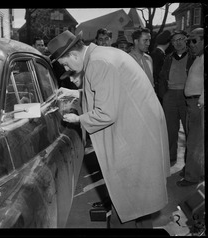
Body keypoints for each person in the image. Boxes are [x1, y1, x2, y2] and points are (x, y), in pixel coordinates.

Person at [47, 30, 170, 228]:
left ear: (74, 55)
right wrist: (74, 92)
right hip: (139, 126)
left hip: (134, 133)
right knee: (140, 202)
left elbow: (106, 113)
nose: (68, 68)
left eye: (65, 64)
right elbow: (107, 91)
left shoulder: (97, 63)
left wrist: (79, 118)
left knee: (126, 197)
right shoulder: (103, 54)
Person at [159, 30, 196, 166]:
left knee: (190, 130)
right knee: (170, 129)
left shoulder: (194, 56)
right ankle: (170, 157)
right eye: (175, 40)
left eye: (181, 39)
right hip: (170, 96)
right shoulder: (168, 58)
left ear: (186, 40)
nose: (178, 42)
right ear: (172, 43)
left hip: (187, 96)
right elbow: (162, 77)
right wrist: (164, 94)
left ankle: (190, 162)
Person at [177, 28, 204, 187]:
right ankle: (191, 169)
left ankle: (192, 176)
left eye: (194, 41)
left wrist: (201, 101)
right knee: (192, 139)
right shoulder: (198, 57)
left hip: (198, 104)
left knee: (195, 141)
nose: (190, 44)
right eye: (189, 41)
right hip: (192, 103)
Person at [150, 30, 171, 103]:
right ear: (168, 43)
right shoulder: (158, 55)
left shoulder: (158, 54)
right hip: (158, 90)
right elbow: (154, 73)